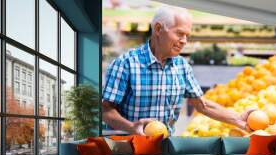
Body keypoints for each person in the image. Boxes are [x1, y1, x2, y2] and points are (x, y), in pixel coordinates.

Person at [102, 6, 252, 136]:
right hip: (128, 146)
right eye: (180, 34)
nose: (184, 41)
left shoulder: (181, 66)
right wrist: (131, 127)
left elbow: (202, 105)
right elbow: (105, 110)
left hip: (164, 147)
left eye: (187, 36)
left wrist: (237, 119)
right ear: (158, 29)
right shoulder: (126, 63)